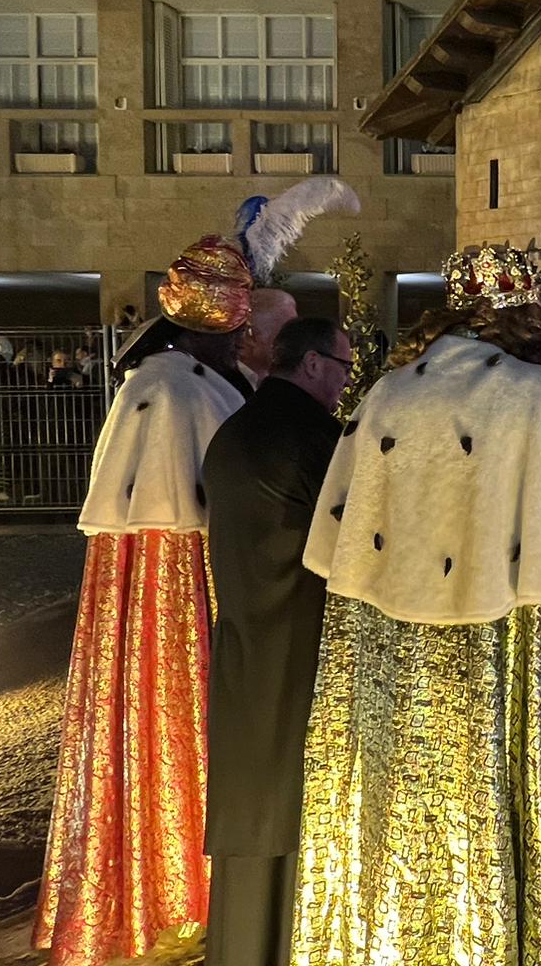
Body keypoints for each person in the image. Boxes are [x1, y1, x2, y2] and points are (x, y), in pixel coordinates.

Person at [292, 245, 541, 965]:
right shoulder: (540, 400)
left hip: (396, 664)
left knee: (406, 804)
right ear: (526, 317)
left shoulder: (386, 397)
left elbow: (344, 561)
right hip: (512, 657)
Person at [34, 237, 254, 966]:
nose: (242, 348)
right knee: (171, 715)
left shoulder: (168, 381)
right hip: (174, 579)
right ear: (209, 332)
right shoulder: (172, 388)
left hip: (169, 575)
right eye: (235, 336)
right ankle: (176, 891)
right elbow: (181, 511)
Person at [201, 317, 349, 966]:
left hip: (244, 638)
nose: (345, 383)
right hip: (299, 646)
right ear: (313, 363)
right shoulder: (312, 437)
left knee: (251, 800)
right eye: (343, 368)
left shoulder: (237, 427)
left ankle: (240, 942)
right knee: (290, 805)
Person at [237, 288, 298, 388]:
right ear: (251, 337)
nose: (298, 341)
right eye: (289, 333)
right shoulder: (223, 386)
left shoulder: (281, 385)